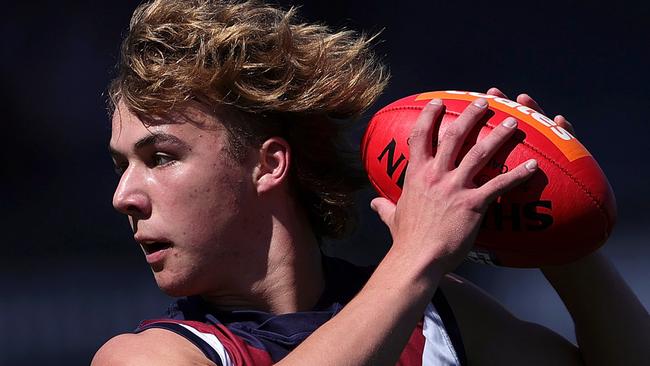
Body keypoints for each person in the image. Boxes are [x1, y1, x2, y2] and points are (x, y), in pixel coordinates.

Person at [92, 0, 650, 365]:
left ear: (269, 164)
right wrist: (417, 254)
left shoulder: (438, 314)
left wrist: (551, 212)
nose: (124, 197)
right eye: (122, 166)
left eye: (160, 157)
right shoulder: (147, 356)